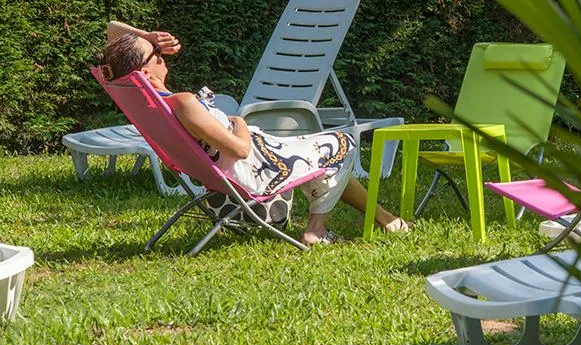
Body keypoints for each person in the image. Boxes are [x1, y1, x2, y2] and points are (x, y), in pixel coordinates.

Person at [98, 21, 410, 246]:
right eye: (157, 55)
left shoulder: (149, 102)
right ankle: (316, 230)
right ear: (145, 71)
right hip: (258, 169)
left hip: (242, 165)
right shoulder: (183, 102)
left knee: (322, 160)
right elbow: (241, 150)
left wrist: (146, 37)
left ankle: (384, 218)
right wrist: (240, 122)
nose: (163, 56)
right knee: (342, 143)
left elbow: (112, 28)